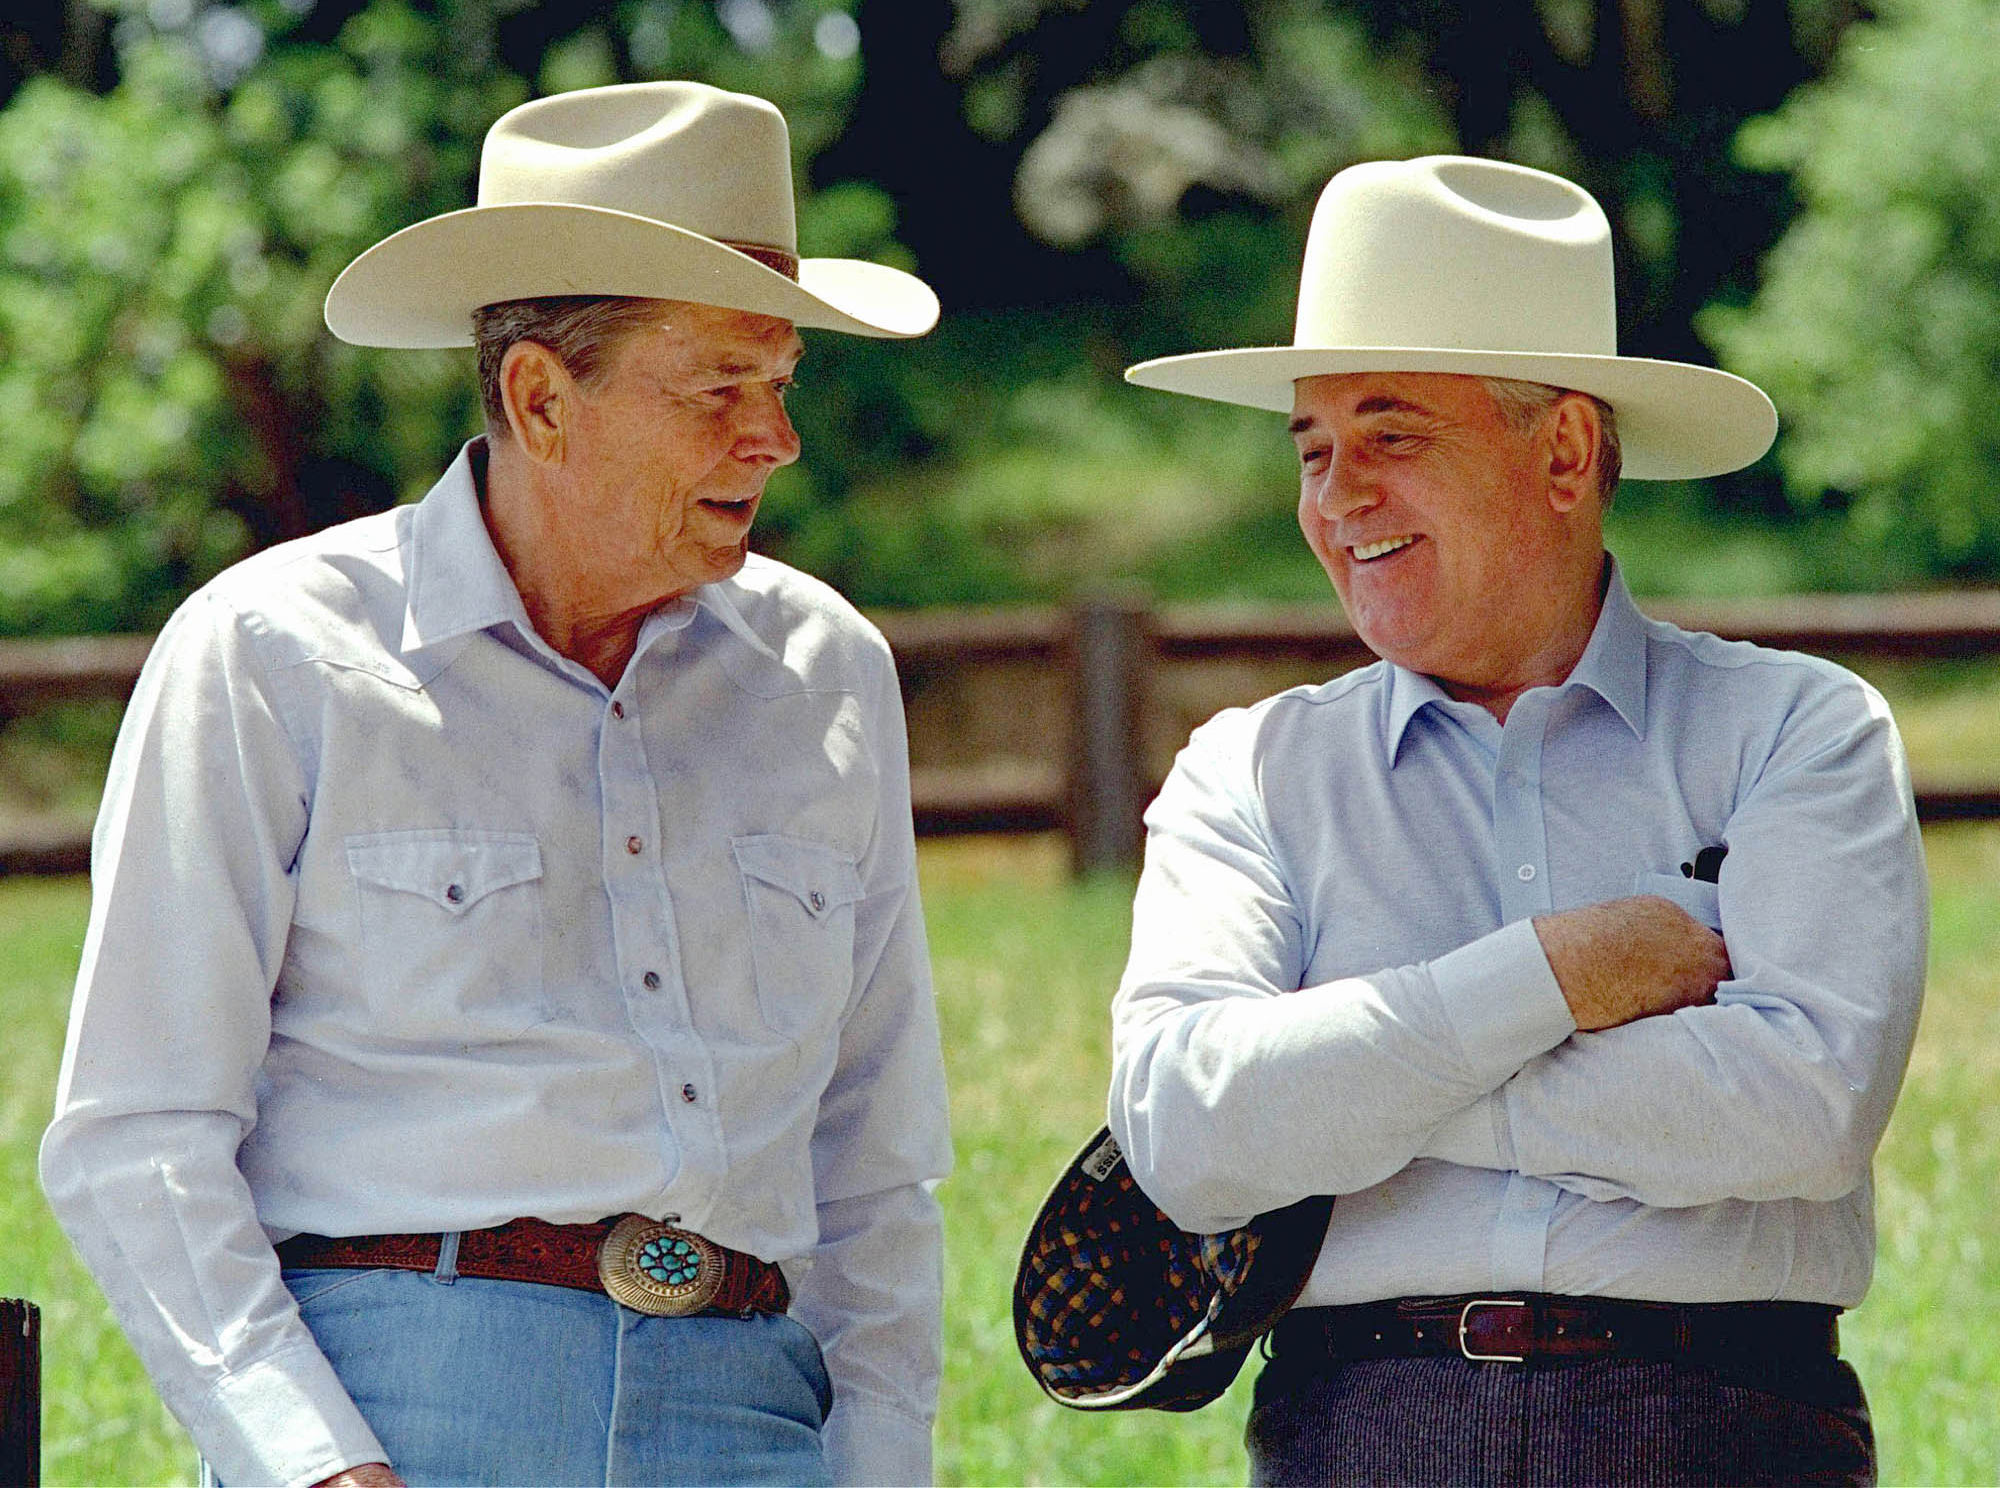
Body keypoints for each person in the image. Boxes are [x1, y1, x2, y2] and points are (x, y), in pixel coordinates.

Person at [40, 81, 951, 1488]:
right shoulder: (271, 653)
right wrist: (316, 1469)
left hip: (759, 1424)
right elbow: (138, 1133)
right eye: (719, 389)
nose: (774, 440)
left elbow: (877, 1161)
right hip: (401, 1419)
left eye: (780, 385)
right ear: (541, 398)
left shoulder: (830, 671)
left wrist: (878, 1469)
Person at [1108, 155, 1925, 1484]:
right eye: (1314, 450)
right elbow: (1186, 1135)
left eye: (1391, 438)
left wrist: (1356, 1084)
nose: (1337, 496)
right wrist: (1558, 977)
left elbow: (1806, 1109)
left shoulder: (1798, 732)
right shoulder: (1247, 770)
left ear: (1563, 452)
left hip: (1729, 1427)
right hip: (1361, 1431)